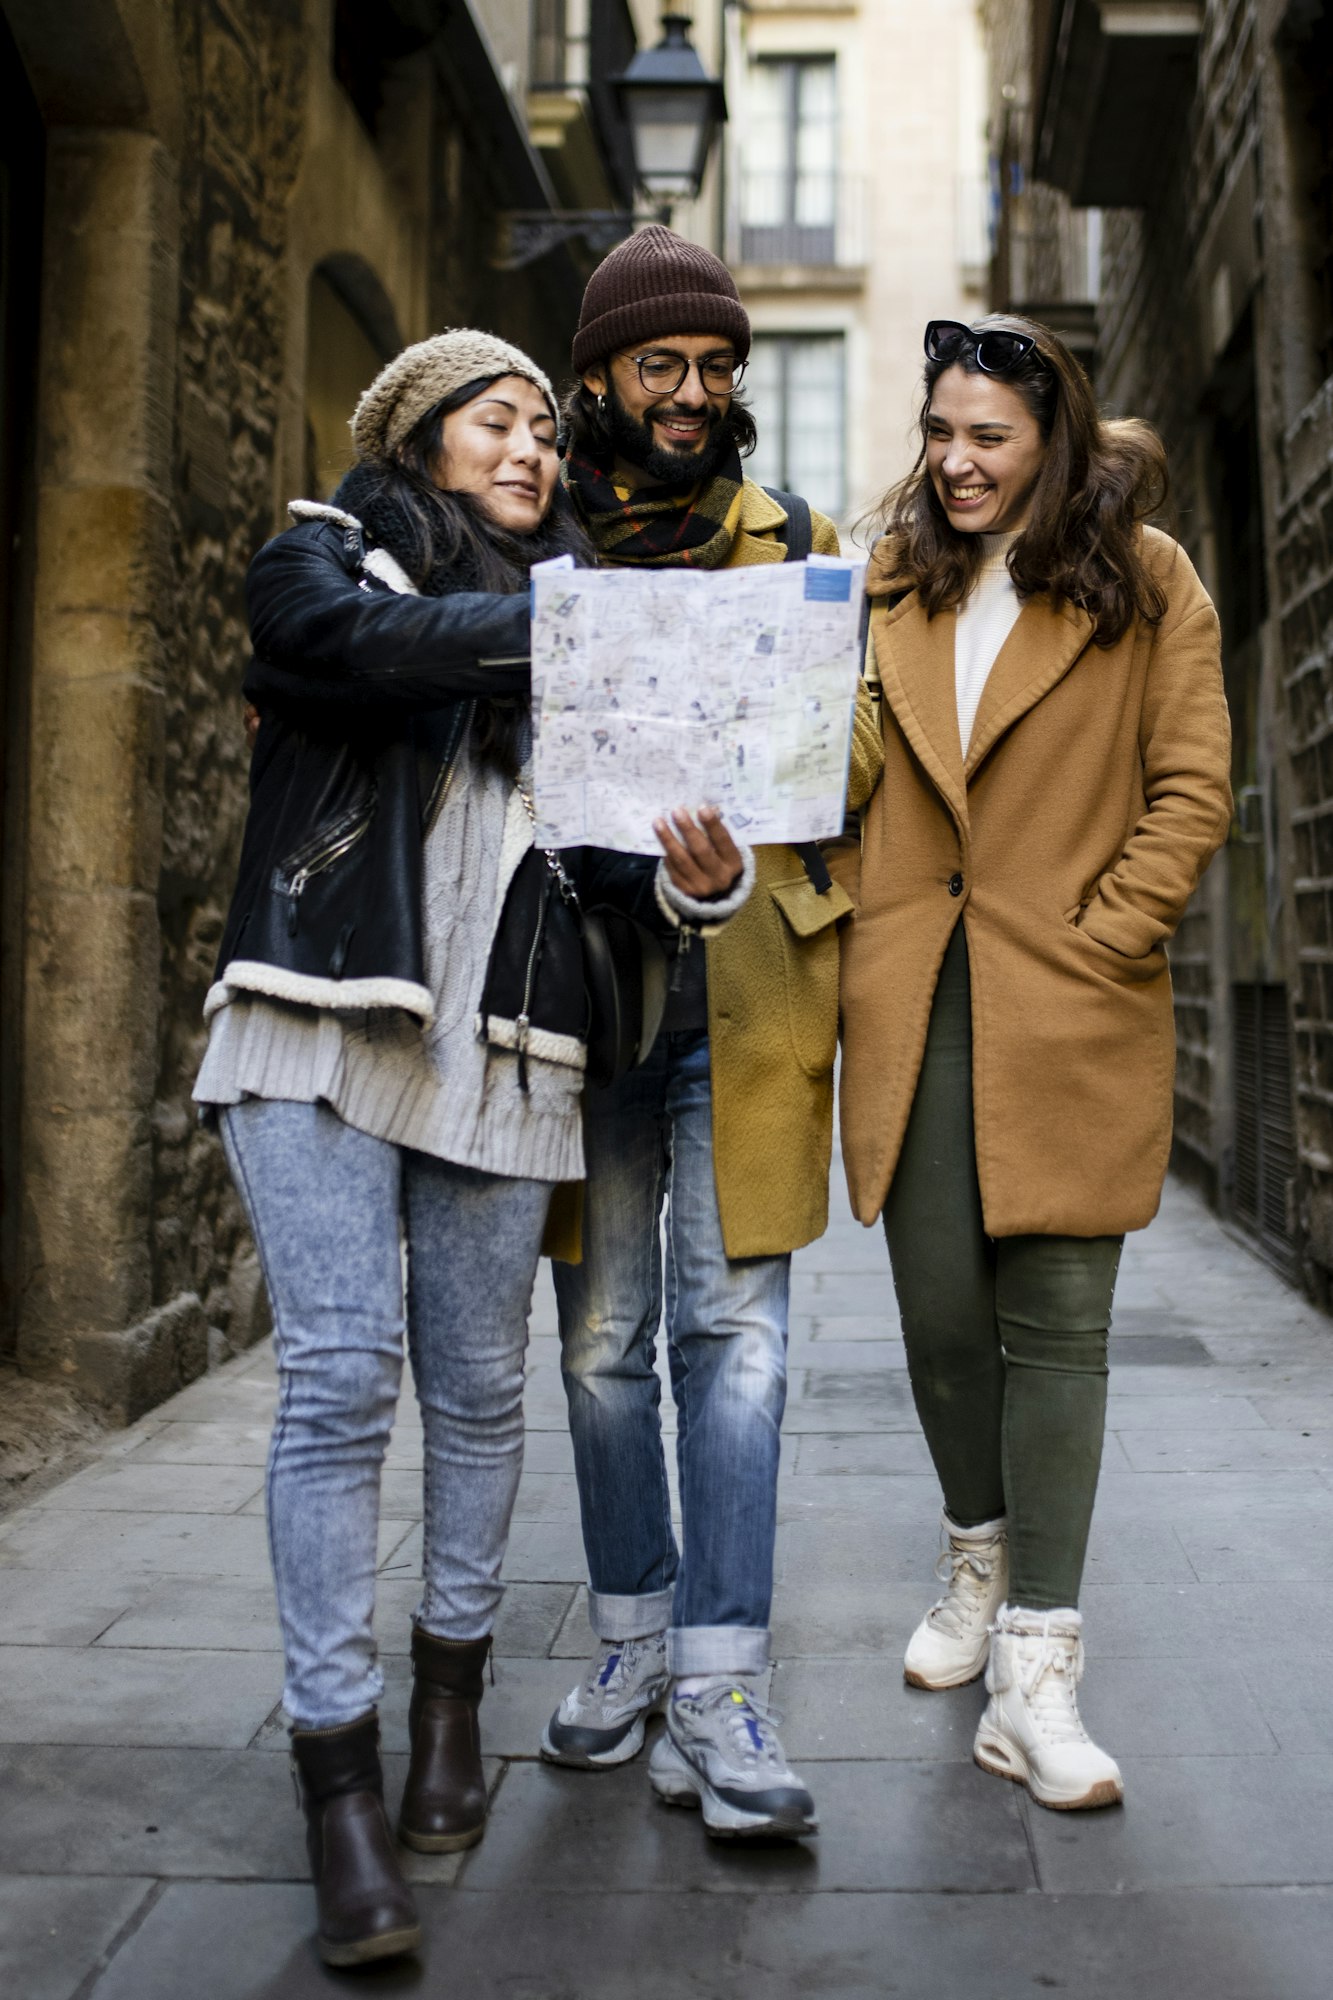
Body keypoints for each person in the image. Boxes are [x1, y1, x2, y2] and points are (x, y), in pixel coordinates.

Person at [194, 329, 748, 1965]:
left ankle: (451, 1701)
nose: (526, 449)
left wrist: (693, 881)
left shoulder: (576, 630)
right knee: (342, 1376)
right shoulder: (332, 550)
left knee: (485, 1388)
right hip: (315, 1009)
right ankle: (337, 1777)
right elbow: (325, 646)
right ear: (423, 437)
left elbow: (613, 873)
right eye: (491, 423)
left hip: (505, 1054)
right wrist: (564, 633)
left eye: (536, 432)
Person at [835, 315, 1231, 1810]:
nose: (952, 462)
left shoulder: (1145, 581)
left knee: (1057, 1324)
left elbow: (1193, 783)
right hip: (911, 997)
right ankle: (973, 1566)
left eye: (986, 436)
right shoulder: (881, 583)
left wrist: (1104, 936)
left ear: (1050, 441)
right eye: (938, 432)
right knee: (941, 1321)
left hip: (1068, 1000)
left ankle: (1038, 1673)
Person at [538, 227, 883, 1842]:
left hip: (747, 991)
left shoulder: (796, 541)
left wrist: (768, 798)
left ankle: (724, 1682)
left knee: (733, 1344)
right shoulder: (536, 543)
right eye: (661, 366)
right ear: (602, 375)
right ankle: (628, 1641)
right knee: (604, 1347)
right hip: (584, 998)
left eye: (715, 367)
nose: (693, 394)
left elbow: (862, 756)